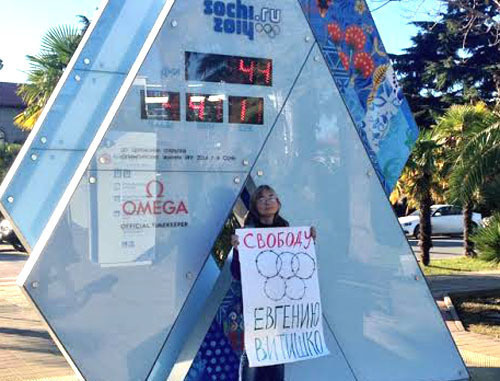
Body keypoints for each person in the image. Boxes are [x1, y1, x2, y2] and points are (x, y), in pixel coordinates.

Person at [230, 185, 315, 381]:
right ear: (254, 205)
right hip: (257, 308)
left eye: (272, 197)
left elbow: (299, 267)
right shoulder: (247, 233)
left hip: (281, 308)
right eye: (261, 198)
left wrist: (309, 241)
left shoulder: (287, 232)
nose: (267, 201)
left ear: (278, 203)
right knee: (252, 353)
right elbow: (236, 273)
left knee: (278, 353)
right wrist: (236, 251)